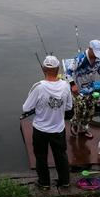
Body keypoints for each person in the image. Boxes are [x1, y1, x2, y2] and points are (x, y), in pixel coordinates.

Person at [22, 55, 72, 189]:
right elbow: (68, 107)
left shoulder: (38, 87)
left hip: (41, 130)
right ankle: (65, 181)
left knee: (41, 157)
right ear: (58, 69)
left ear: (44, 69)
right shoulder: (66, 86)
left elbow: (26, 108)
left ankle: (44, 183)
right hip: (58, 129)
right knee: (61, 156)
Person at [67, 39, 100, 139]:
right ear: (89, 49)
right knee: (81, 108)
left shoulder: (98, 58)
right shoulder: (80, 59)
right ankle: (74, 124)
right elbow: (68, 72)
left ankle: (83, 129)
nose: (97, 55)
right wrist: (72, 85)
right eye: (95, 52)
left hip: (90, 88)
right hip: (78, 89)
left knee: (90, 110)